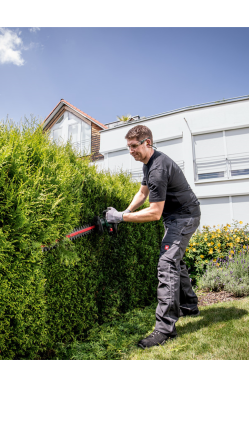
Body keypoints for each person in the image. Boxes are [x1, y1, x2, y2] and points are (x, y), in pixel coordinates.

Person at [105, 124, 201, 349]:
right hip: (179, 217)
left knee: (167, 264)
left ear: (147, 143)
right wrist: (125, 211)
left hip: (184, 218)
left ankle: (165, 329)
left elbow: (155, 213)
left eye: (134, 146)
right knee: (175, 260)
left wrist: (121, 218)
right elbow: (142, 193)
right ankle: (189, 306)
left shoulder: (157, 169)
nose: (131, 151)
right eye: (128, 147)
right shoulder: (149, 164)